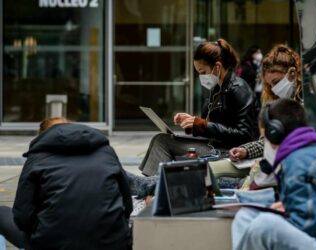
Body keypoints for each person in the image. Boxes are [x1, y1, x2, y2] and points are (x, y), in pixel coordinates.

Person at [231, 98, 316, 250]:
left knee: (265, 226)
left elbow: (307, 225)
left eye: (265, 137)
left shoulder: (299, 162)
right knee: (245, 217)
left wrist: (286, 212)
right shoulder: (315, 152)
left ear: (274, 133)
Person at [0, 117, 133, 250]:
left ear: (43, 136)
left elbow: (22, 217)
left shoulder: (37, 157)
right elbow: (127, 205)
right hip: (112, 243)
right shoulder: (106, 151)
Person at [139, 38, 258, 176]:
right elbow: (210, 125)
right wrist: (192, 123)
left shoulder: (239, 89)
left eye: (202, 72)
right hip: (213, 144)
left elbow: (245, 135)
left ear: (217, 66)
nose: (201, 77)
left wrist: (203, 125)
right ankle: (154, 187)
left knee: (162, 142)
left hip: (227, 151)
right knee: (161, 139)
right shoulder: (216, 89)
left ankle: (152, 187)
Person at [210, 44, 302, 180]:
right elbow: (267, 140)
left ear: (292, 74)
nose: (274, 89)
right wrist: (246, 150)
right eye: (270, 85)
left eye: (276, 82)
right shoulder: (281, 105)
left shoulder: (308, 104)